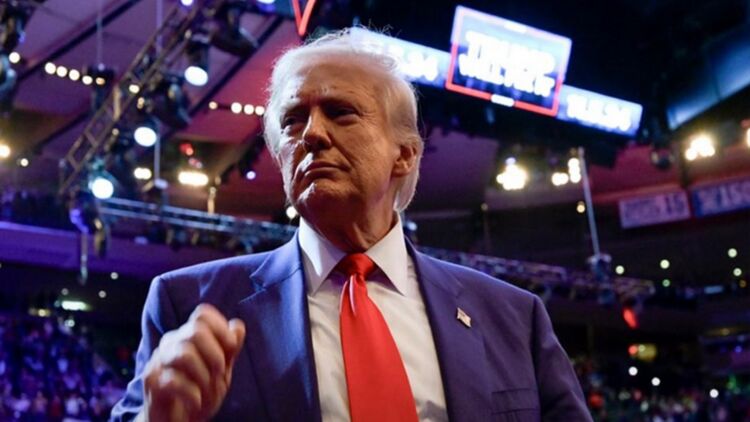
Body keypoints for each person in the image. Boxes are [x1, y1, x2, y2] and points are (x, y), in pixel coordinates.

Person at [110, 28, 591, 422]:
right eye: (293, 120)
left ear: (405, 154)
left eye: (340, 113)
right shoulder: (189, 304)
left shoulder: (514, 317)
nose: (312, 134)